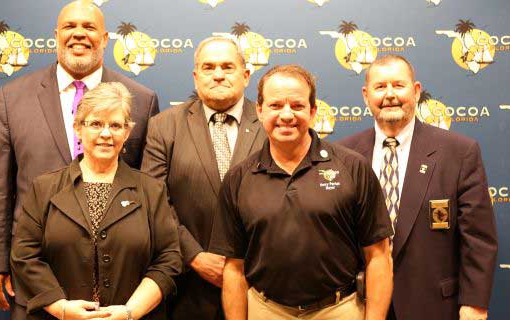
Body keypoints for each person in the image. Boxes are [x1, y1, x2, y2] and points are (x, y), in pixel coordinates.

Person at [0, 0, 159, 316]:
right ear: (56, 35)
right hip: (36, 268)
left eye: (89, 27)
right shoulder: (14, 97)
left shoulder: (140, 100)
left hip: (118, 279)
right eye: (70, 27)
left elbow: (150, 189)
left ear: (104, 39)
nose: (79, 34)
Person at [210, 64, 393, 320]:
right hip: (266, 310)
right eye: (275, 106)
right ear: (260, 111)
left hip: (339, 310)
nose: (287, 115)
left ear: (313, 111)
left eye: (297, 106)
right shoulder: (239, 178)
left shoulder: (352, 167)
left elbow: (379, 256)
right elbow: (234, 269)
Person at [337, 54, 498, 320]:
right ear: (366, 96)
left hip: (433, 307)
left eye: (398, 85)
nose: (389, 95)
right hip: (359, 307)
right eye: (380, 87)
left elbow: (478, 239)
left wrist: (475, 305)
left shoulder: (459, 152)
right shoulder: (343, 154)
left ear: (416, 91)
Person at [10, 82, 181, 320]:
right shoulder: (45, 188)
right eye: (96, 124)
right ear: (78, 129)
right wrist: (60, 308)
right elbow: (25, 255)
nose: (106, 133)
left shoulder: (152, 191)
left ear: (127, 132)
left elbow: (168, 260)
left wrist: (130, 312)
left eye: (115, 125)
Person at [141, 36, 266, 319]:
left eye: (227, 67)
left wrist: (252, 264)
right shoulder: (164, 126)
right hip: (186, 289)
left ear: (246, 75)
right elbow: (154, 201)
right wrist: (195, 256)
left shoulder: (272, 124)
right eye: (209, 68)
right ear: (196, 77)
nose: (218, 75)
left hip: (261, 286)